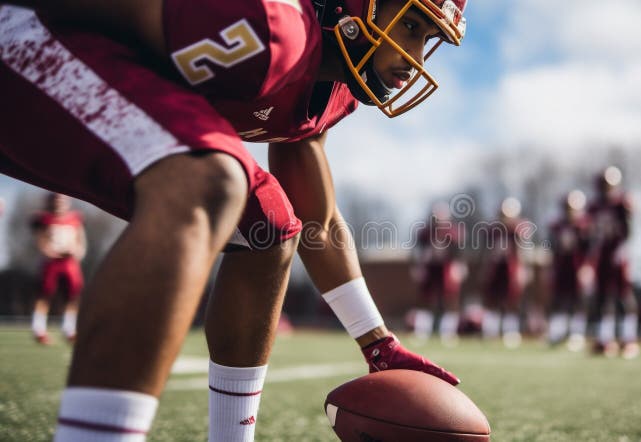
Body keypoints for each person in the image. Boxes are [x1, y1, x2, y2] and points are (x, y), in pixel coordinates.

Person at [0, 0, 467, 441]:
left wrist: (377, 343)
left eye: (428, 38)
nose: (414, 57)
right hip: (27, 36)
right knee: (206, 177)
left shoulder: (332, 88)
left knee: (270, 227)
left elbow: (316, 222)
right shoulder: (270, 22)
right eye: (409, 26)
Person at [586, 166, 639, 359]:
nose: (606, 188)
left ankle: (629, 339)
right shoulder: (593, 206)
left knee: (623, 295)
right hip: (602, 255)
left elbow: (629, 229)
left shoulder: (622, 203)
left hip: (618, 253)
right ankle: (605, 340)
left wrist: (623, 248)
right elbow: (590, 234)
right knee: (602, 297)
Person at [30, 193, 87, 345]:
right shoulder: (44, 219)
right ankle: (39, 329)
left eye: (62, 199)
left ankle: (69, 329)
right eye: (56, 199)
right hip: (51, 261)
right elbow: (40, 239)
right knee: (45, 294)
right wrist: (48, 251)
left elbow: (80, 239)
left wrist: (78, 251)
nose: (59, 202)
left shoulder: (75, 218)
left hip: (70, 262)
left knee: (73, 295)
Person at [409, 201, 467, 346]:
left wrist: (459, 266)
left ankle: (448, 333)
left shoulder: (453, 232)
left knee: (449, 300)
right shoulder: (425, 232)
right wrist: (417, 266)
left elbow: (459, 252)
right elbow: (417, 251)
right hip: (430, 268)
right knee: (426, 300)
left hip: (446, 268)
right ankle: (421, 332)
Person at [480, 197, 531, 348]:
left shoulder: (518, 229)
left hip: (511, 268)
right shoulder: (493, 230)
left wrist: (523, 269)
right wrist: (485, 268)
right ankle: (491, 330)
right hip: (495, 268)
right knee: (493, 300)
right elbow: (486, 251)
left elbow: (522, 251)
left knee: (511, 301)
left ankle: (510, 331)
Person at [546, 190, 592, 352]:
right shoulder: (557, 226)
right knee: (559, 300)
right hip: (561, 267)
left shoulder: (585, 226)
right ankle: (556, 333)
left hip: (578, 268)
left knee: (578, 301)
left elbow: (590, 249)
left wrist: (587, 267)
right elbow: (552, 248)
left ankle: (576, 334)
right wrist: (551, 267)